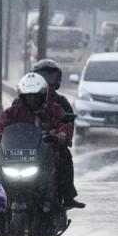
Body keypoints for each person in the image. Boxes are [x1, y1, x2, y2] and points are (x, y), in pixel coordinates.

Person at [0, 72, 73, 212]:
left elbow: (64, 124)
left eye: (35, 96)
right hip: (17, 156)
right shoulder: (13, 111)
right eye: (28, 96)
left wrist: (62, 134)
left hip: (45, 154)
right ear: (22, 96)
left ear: (43, 95)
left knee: (64, 158)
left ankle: (62, 197)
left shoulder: (53, 110)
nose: (32, 99)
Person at [28, 59, 84, 209]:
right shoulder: (21, 101)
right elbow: (8, 120)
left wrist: (62, 135)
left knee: (65, 157)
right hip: (27, 148)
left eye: (51, 77)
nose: (47, 82)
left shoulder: (61, 103)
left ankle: (67, 195)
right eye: (43, 77)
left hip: (51, 147)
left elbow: (68, 123)